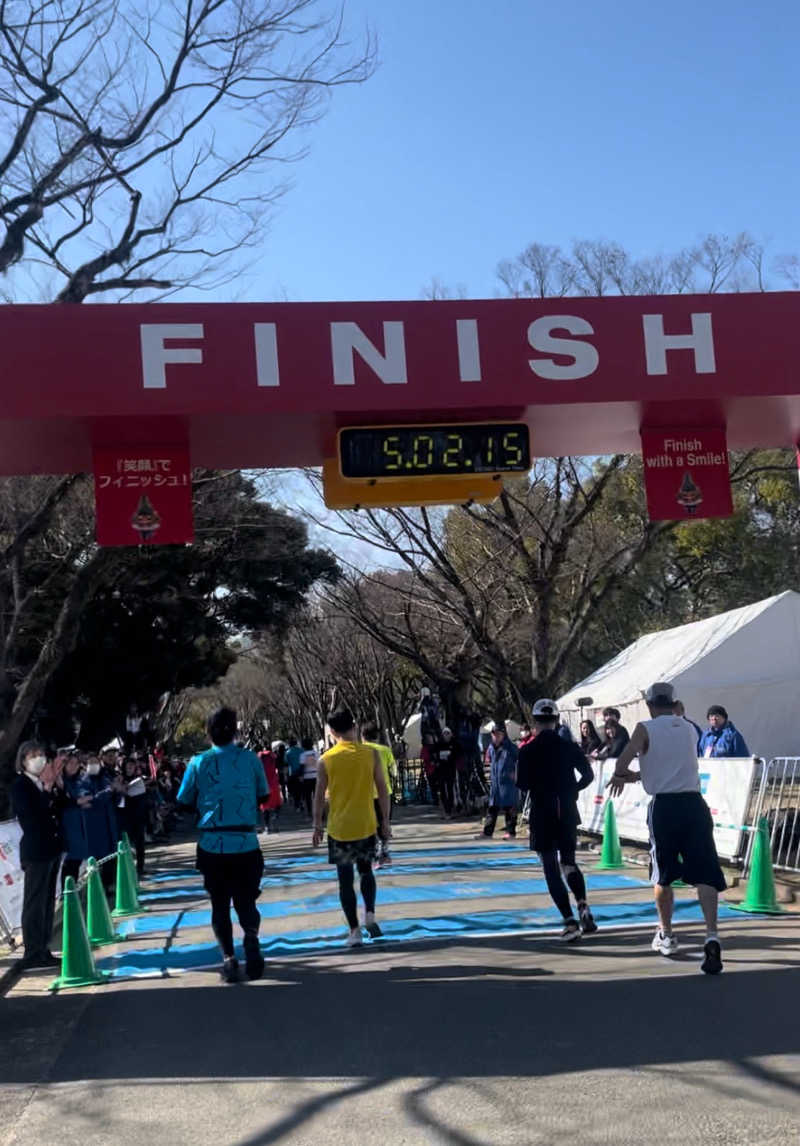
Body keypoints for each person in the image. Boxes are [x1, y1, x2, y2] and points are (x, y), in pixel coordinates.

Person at [607, 681, 726, 975]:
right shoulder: (688, 728)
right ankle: (711, 935)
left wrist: (624, 775)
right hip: (694, 804)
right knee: (705, 873)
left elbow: (622, 761)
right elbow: (667, 763)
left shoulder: (645, 728)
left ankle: (667, 933)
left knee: (663, 874)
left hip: (664, 807)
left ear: (649, 705)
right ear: (674, 704)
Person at [177, 707, 268, 983]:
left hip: (212, 844)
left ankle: (229, 959)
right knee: (246, 897)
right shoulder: (250, 759)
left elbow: (183, 801)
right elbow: (263, 794)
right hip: (245, 842)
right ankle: (250, 935)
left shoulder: (198, 762)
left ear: (208, 733)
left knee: (219, 903)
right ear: (236, 732)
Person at [517, 700, 596, 940]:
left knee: (550, 867)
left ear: (535, 721)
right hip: (567, 810)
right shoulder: (568, 746)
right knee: (569, 862)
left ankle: (570, 921)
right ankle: (583, 904)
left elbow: (522, 784)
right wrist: (573, 789)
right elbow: (588, 774)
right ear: (556, 719)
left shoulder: (528, 750)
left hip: (543, 811)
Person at [313, 707, 391, 947]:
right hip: (366, 823)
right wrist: (385, 822)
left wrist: (317, 825)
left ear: (333, 731)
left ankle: (354, 931)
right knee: (367, 871)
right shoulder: (371, 755)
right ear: (354, 726)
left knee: (345, 880)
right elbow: (382, 789)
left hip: (339, 828)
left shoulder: (326, 759)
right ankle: (370, 914)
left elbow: (318, 796)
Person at [10, 742, 64, 970]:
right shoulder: (21, 786)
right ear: (23, 760)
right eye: (32, 755)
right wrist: (47, 789)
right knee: (34, 902)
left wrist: (52, 787)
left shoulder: (41, 785)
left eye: (40, 754)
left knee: (47, 901)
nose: (38, 759)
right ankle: (32, 951)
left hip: (50, 849)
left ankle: (43, 947)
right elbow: (31, 817)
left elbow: (55, 809)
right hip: (35, 851)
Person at [360, 721, 397, 865]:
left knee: (370, 825)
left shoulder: (359, 750)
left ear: (362, 735)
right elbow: (393, 770)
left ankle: (374, 853)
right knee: (385, 822)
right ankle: (385, 852)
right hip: (385, 792)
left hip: (365, 793)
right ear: (377, 735)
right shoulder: (385, 750)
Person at [480, 720, 519, 839]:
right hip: (496, 783)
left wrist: (517, 774)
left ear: (503, 734)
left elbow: (521, 760)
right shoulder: (491, 748)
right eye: (494, 734)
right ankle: (487, 832)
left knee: (510, 807)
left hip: (508, 783)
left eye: (498, 734)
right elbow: (490, 762)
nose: (496, 736)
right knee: (492, 808)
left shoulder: (511, 747)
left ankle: (511, 832)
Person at [120, 756, 149, 878]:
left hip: (138, 815)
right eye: (128, 765)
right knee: (126, 843)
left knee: (139, 843)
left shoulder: (139, 780)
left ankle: (140, 867)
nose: (130, 767)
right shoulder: (120, 778)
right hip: (125, 816)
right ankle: (127, 868)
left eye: (132, 765)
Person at [258, 746, 283, 832]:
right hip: (273, 784)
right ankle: (275, 818)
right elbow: (279, 769)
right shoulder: (273, 757)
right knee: (277, 804)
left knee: (265, 807)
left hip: (263, 785)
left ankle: (267, 827)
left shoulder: (259, 757)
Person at [285, 737, 304, 812]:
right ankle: (302, 803)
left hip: (292, 774)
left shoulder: (288, 753)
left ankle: (297, 805)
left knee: (295, 790)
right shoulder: (301, 750)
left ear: (289, 744)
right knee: (301, 789)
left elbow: (286, 764)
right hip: (301, 773)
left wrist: (286, 776)